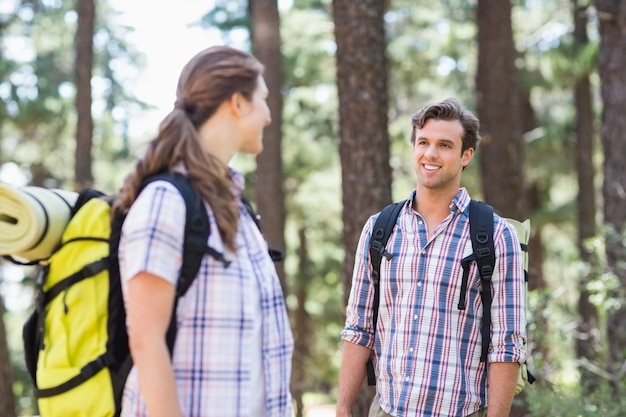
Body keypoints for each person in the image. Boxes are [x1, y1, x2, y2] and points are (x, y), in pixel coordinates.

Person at [113, 46, 294, 417]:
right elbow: (146, 342)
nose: (269, 115)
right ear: (237, 104)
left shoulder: (236, 209)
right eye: (262, 99)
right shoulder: (166, 200)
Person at [336, 98, 526, 417]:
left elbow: (506, 344)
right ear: (413, 148)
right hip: (387, 409)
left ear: (466, 155)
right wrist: (342, 408)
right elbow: (358, 328)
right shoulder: (379, 228)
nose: (431, 154)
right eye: (423, 142)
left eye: (444, 145)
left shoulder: (495, 235)